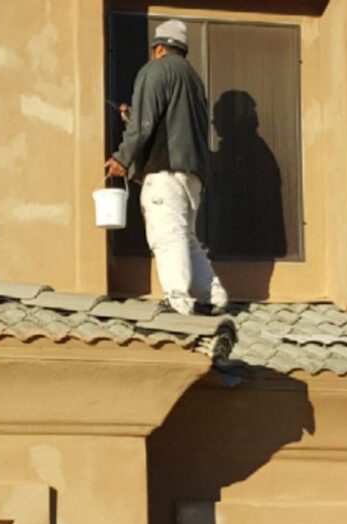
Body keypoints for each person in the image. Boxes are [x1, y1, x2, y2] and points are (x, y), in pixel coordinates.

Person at [105, 19, 227, 316]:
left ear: (158, 47)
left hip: (165, 171)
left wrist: (122, 157)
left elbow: (145, 124)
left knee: (166, 233)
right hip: (192, 175)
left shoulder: (156, 70)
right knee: (185, 236)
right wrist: (133, 117)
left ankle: (177, 299)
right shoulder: (192, 79)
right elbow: (167, 122)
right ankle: (213, 296)